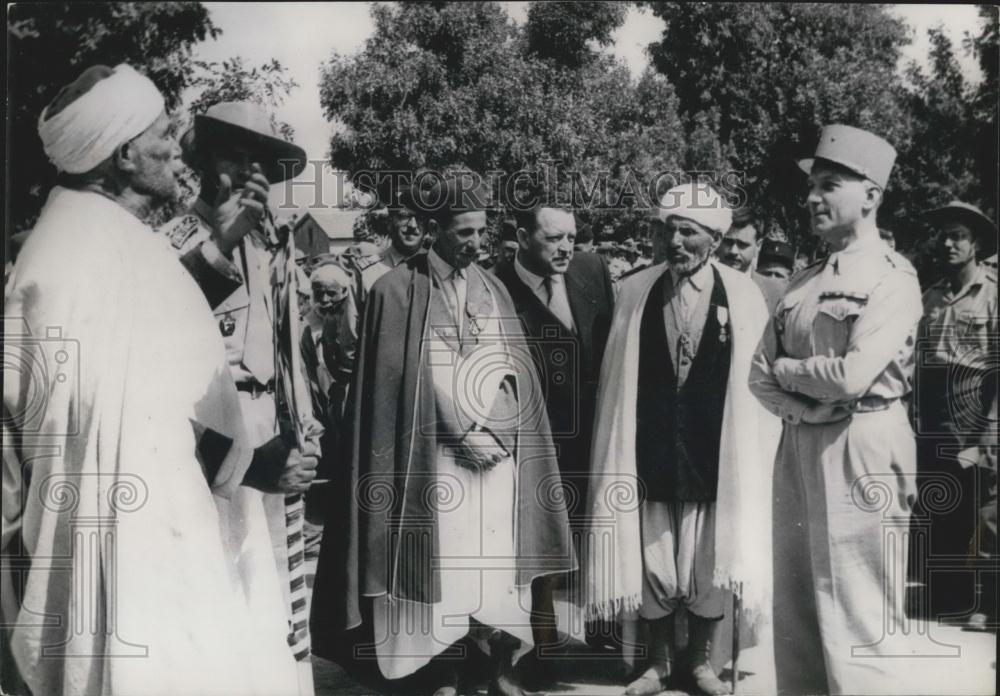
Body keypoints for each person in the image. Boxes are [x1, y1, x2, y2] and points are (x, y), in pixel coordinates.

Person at [2, 64, 298, 696]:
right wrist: (248, 465)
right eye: (165, 133)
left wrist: (216, 242)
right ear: (124, 156)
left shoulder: (98, 235)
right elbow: (133, 419)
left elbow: (145, 356)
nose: (175, 146)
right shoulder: (78, 254)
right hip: (129, 551)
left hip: (154, 533)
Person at [310, 174, 575, 696]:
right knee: (437, 574)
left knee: (489, 569)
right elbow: (399, 386)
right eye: (464, 233)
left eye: (481, 231)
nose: (476, 244)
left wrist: (495, 433)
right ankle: (440, 676)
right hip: (428, 464)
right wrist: (459, 435)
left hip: (493, 463)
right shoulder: (393, 290)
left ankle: (488, 667)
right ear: (433, 229)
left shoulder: (492, 286)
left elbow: (512, 372)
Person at [749, 124, 924, 694]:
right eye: (810, 187)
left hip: (866, 443)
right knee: (797, 602)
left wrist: (791, 372)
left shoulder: (894, 278)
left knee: (860, 606)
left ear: (871, 195)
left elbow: (852, 375)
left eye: (829, 185)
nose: (812, 198)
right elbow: (756, 376)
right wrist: (806, 409)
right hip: (801, 440)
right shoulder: (803, 281)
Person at [585, 183, 777, 696]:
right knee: (652, 558)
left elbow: (757, 386)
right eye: (668, 229)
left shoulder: (743, 294)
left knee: (708, 559)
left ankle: (699, 664)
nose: (675, 241)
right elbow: (614, 382)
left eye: (688, 231)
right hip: (648, 449)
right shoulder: (635, 290)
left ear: (714, 239)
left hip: (715, 451)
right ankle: (658, 663)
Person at [158, 100, 321, 692]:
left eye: (260, 163)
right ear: (202, 161)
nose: (248, 173)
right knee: (219, 579)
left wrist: (304, 430)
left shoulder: (273, 248)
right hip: (207, 438)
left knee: (276, 584)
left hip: (271, 434)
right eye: (234, 157)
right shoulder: (172, 240)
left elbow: (287, 350)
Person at [493, 204, 616, 686]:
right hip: (535, 439)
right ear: (522, 237)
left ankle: (604, 631)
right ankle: (542, 644)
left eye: (571, 237)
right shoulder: (497, 287)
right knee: (540, 542)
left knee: (599, 530)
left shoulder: (591, 269)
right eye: (553, 239)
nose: (566, 248)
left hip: (595, 433)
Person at [913, 200, 998, 625]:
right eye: (944, 235)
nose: (948, 243)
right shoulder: (931, 295)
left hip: (977, 408)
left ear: (976, 244)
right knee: (941, 503)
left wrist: (989, 432)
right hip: (935, 412)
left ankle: (986, 604)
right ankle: (946, 597)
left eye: (958, 236)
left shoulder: (993, 294)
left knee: (984, 508)